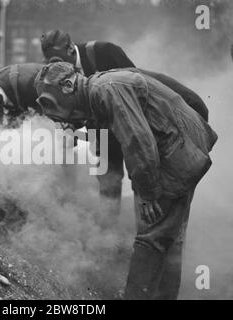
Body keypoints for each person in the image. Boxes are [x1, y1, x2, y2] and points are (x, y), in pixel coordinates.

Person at [34, 62, 218, 300]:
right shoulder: (99, 88)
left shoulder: (107, 89)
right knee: (168, 239)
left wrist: (148, 193)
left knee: (151, 237)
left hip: (176, 155)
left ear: (68, 85)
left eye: (50, 101)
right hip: (180, 150)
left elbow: (137, 140)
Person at [40, 30, 209, 208]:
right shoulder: (60, 75)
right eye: (51, 61)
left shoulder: (103, 51)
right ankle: (108, 228)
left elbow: (137, 90)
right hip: (104, 132)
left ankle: (146, 218)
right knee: (107, 179)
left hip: (135, 122)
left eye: (58, 60)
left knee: (143, 171)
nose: (56, 67)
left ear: (71, 50)